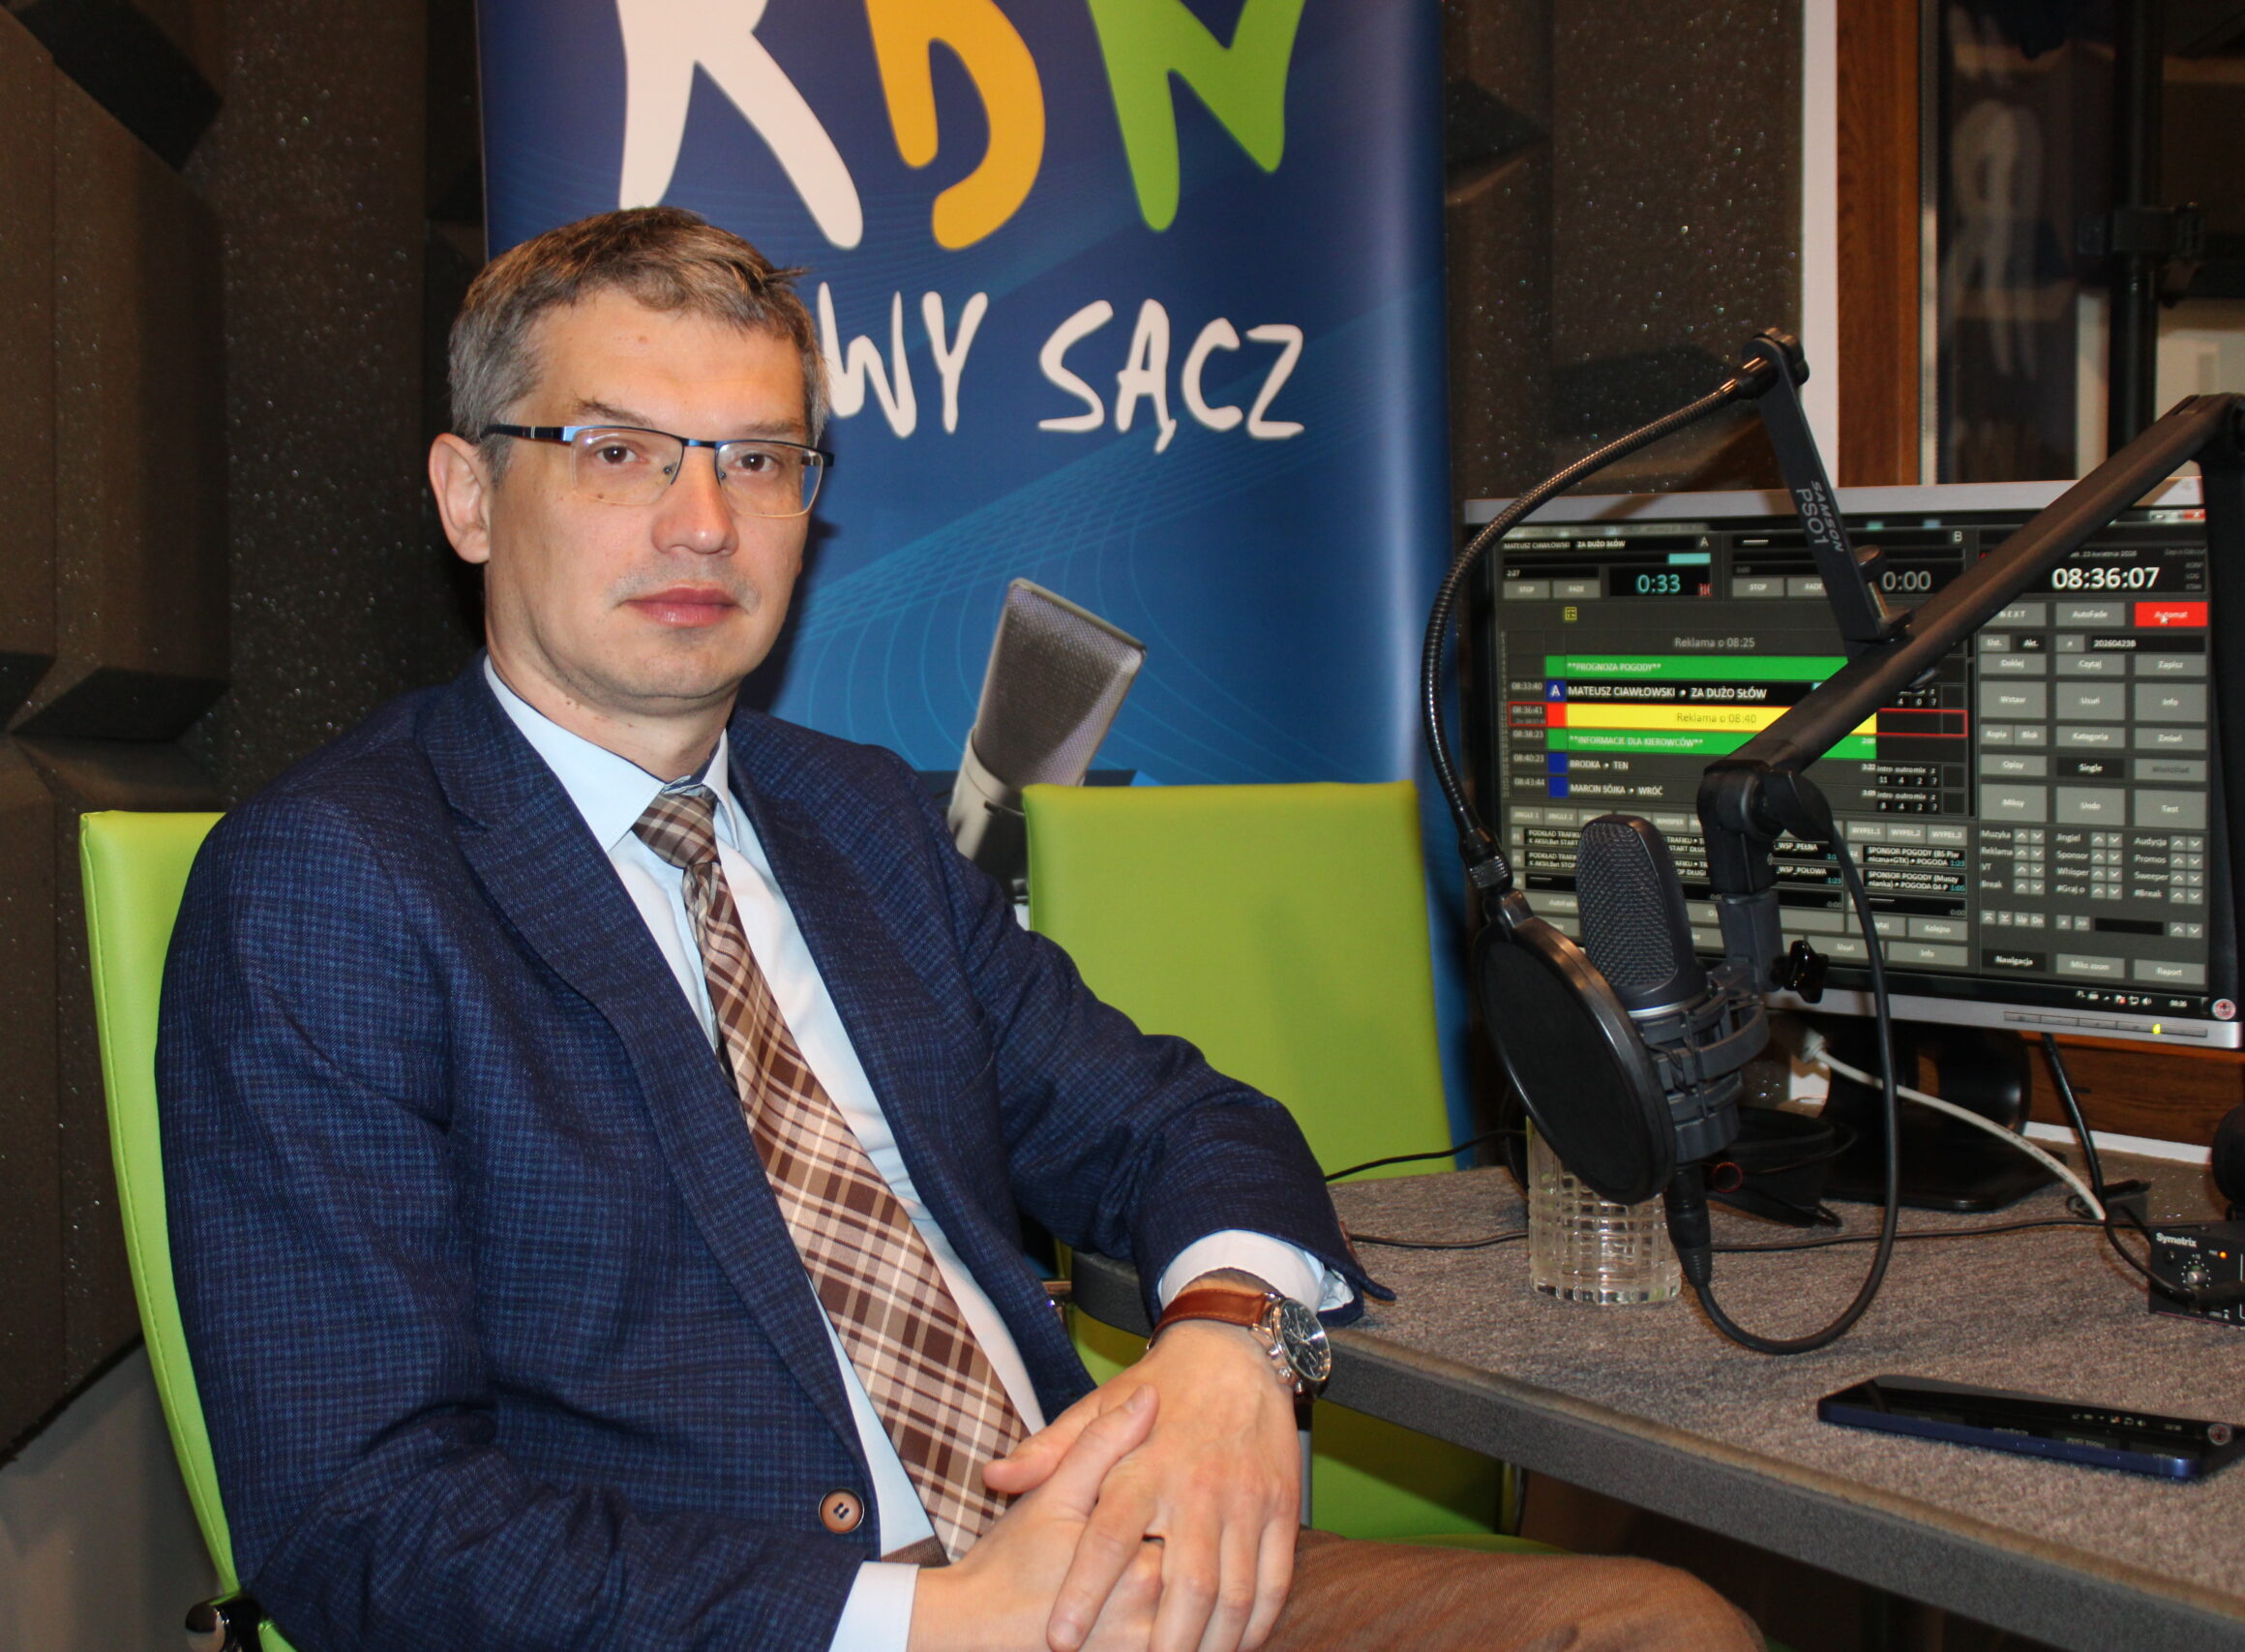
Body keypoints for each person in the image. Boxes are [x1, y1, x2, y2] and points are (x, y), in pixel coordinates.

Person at [160, 205, 1760, 1652]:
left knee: (1652, 1629)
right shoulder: (332, 882)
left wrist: (1231, 1340)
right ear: (468, 495)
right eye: (620, 450)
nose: (703, 521)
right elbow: (364, 1525)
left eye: (759, 459)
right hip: (775, 1626)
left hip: (1094, 1576)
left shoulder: (853, 818)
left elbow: (1177, 1122)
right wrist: (917, 1623)